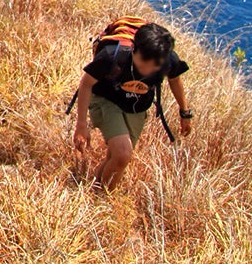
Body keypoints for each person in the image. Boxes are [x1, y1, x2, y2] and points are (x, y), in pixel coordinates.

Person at [71, 21, 193, 189]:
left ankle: (96, 191)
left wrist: (184, 113)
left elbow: (175, 80)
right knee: (123, 153)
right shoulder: (112, 56)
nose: (148, 69)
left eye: (155, 65)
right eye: (144, 61)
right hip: (106, 99)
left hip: (136, 107)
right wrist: (81, 125)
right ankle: (102, 199)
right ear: (134, 48)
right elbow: (86, 84)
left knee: (116, 158)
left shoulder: (167, 60)